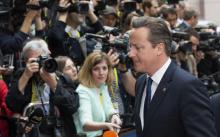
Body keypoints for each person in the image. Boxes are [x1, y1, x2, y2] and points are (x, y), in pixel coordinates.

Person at [128, 16, 217, 137]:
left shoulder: (187, 86)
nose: (130, 53)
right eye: (130, 47)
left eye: (137, 48)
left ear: (159, 48)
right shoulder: (141, 82)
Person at [6, 38, 79, 137]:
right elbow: (11, 104)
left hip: (59, 130)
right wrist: (26, 76)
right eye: (35, 60)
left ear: (48, 56)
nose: (40, 63)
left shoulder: (62, 78)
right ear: (26, 62)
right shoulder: (21, 75)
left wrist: (53, 83)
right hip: (32, 131)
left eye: (42, 58)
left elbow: (72, 106)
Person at [74, 51, 121, 137]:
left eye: (104, 68)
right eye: (96, 69)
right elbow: (85, 124)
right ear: (89, 71)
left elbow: (108, 109)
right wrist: (106, 125)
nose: (101, 73)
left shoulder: (102, 86)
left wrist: (114, 116)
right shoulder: (83, 91)